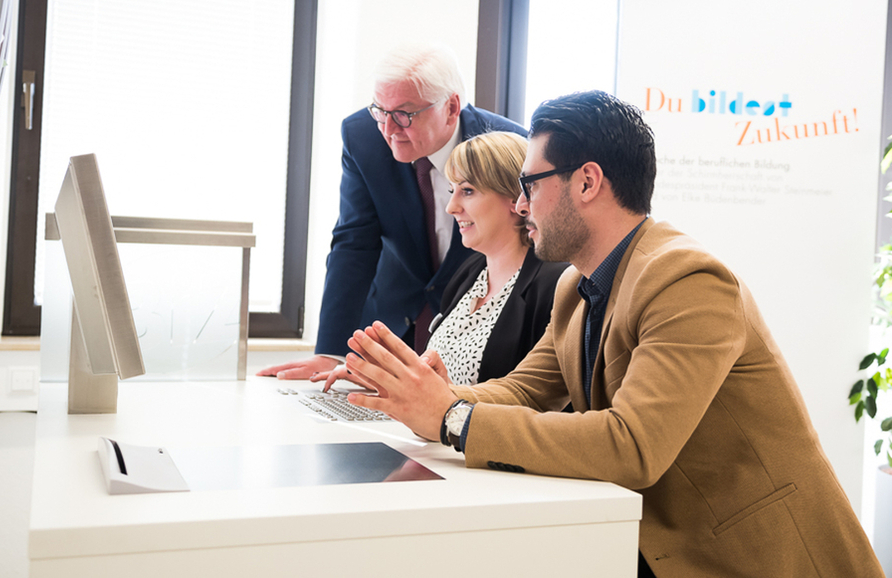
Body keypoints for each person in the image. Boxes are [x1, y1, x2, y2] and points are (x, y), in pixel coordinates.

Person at [341, 91, 884, 577]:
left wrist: (451, 416)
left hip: (758, 558)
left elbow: (632, 445)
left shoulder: (687, 280)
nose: (521, 203)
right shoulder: (576, 286)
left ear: (587, 181)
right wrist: (414, 393)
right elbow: (523, 389)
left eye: (530, 184)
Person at [257, 44, 527, 381]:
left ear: (451, 107)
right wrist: (330, 352)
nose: (388, 128)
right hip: (390, 324)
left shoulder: (509, 145)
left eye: (404, 113)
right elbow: (354, 242)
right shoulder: (363, 136)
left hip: (471, 341)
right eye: (380, 110)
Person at [320, 131, 568, 391]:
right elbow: (437, 377)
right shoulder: (470, 274)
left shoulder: (554, 283)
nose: (451, 207)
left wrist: (445, 398)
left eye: (468, 191)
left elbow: (535, 398)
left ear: (515, 197)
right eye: (452, 190)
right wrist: (380, 378)